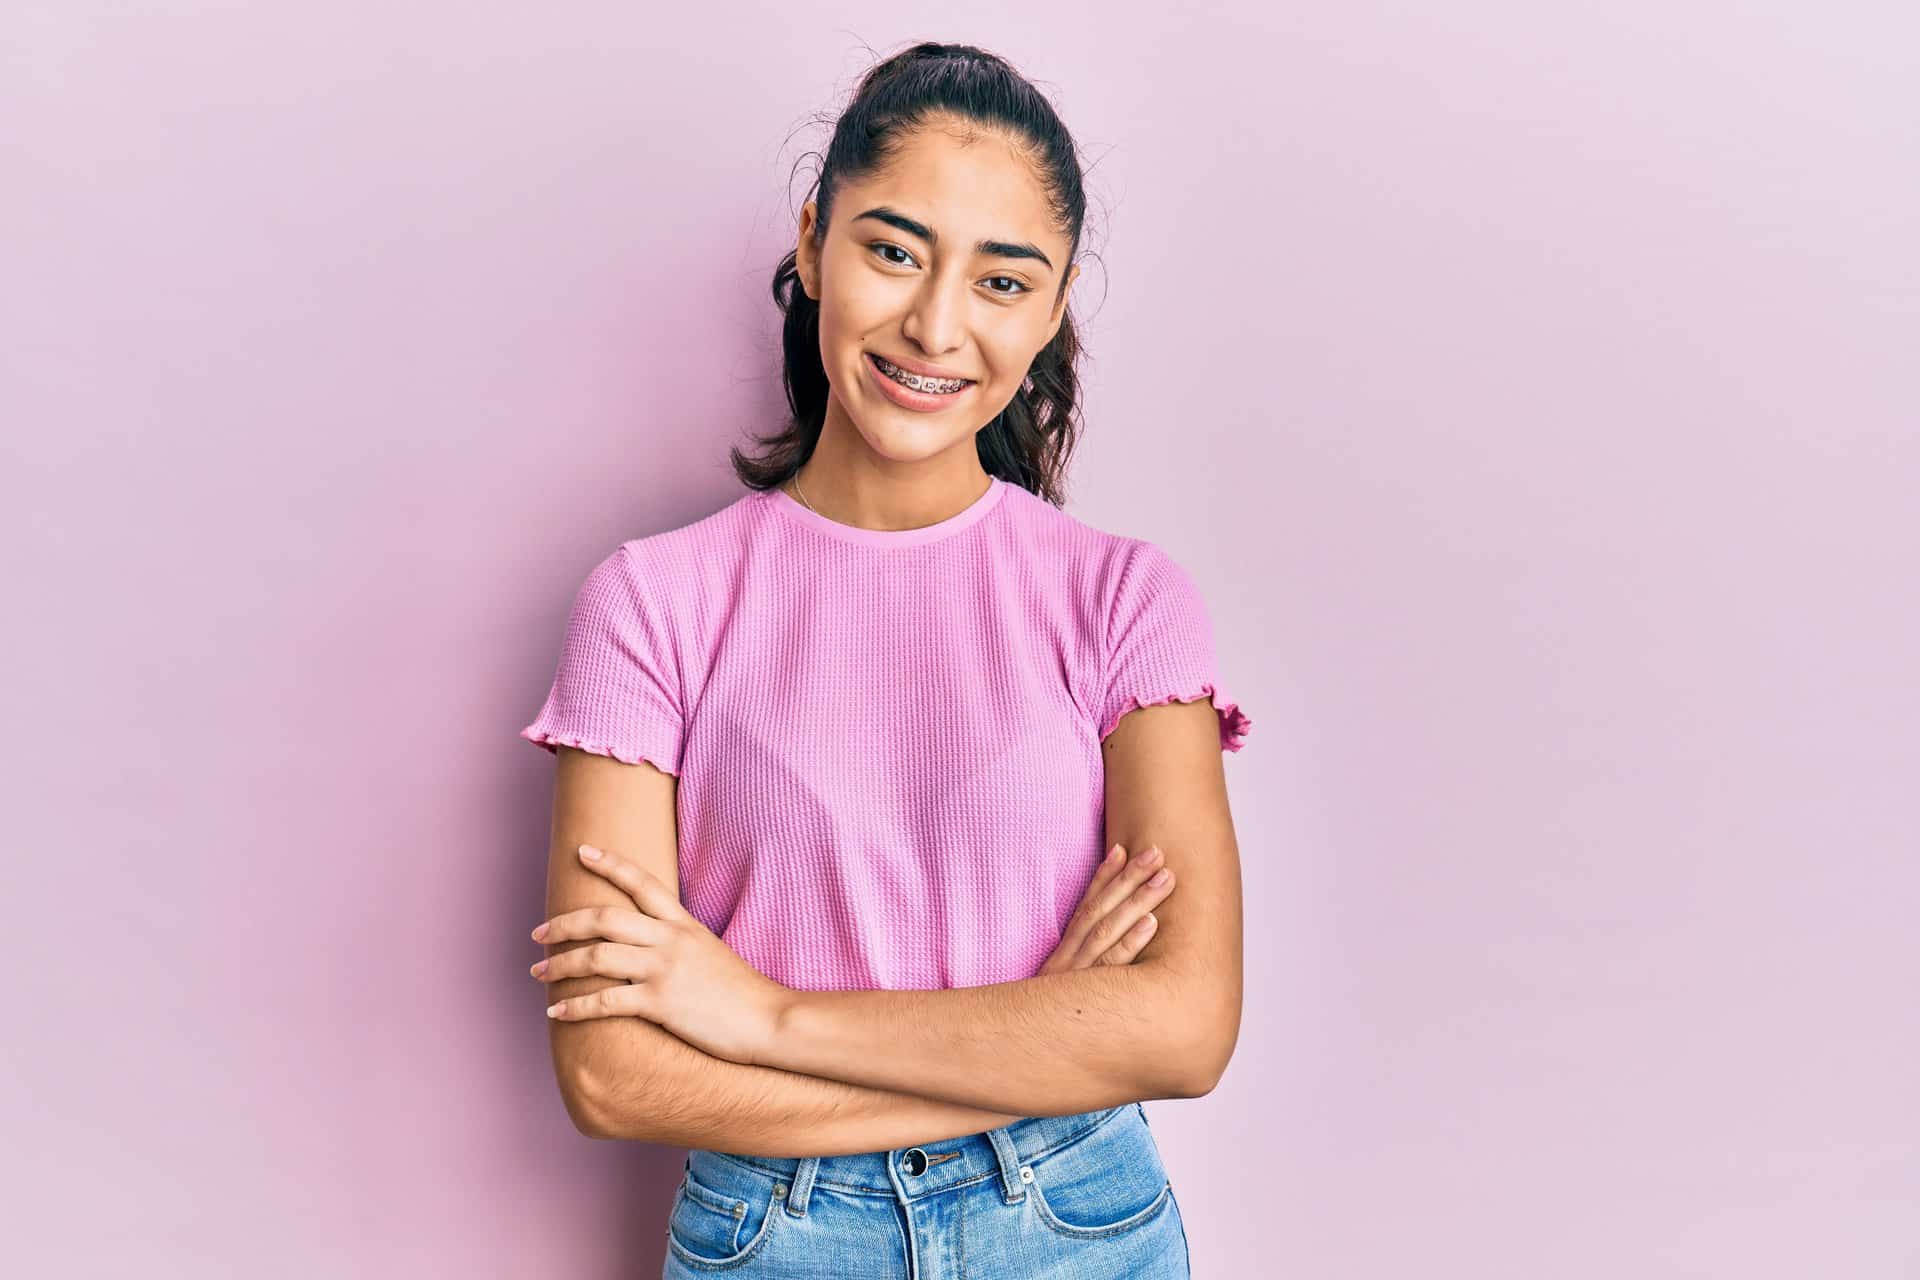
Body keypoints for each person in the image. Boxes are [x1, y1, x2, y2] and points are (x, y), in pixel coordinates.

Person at [518, 41, 1251, 1278]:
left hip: (1082, 1229)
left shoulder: (1123, 597)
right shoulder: (649, 604)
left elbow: (1184, 1029)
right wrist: (1038, 1046)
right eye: (894, 249)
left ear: (1054, 308)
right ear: (814, 243)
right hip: (773, 1235)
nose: (935, 323)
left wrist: (762, 1015)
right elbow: (613, 1070)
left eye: (1003, 281)